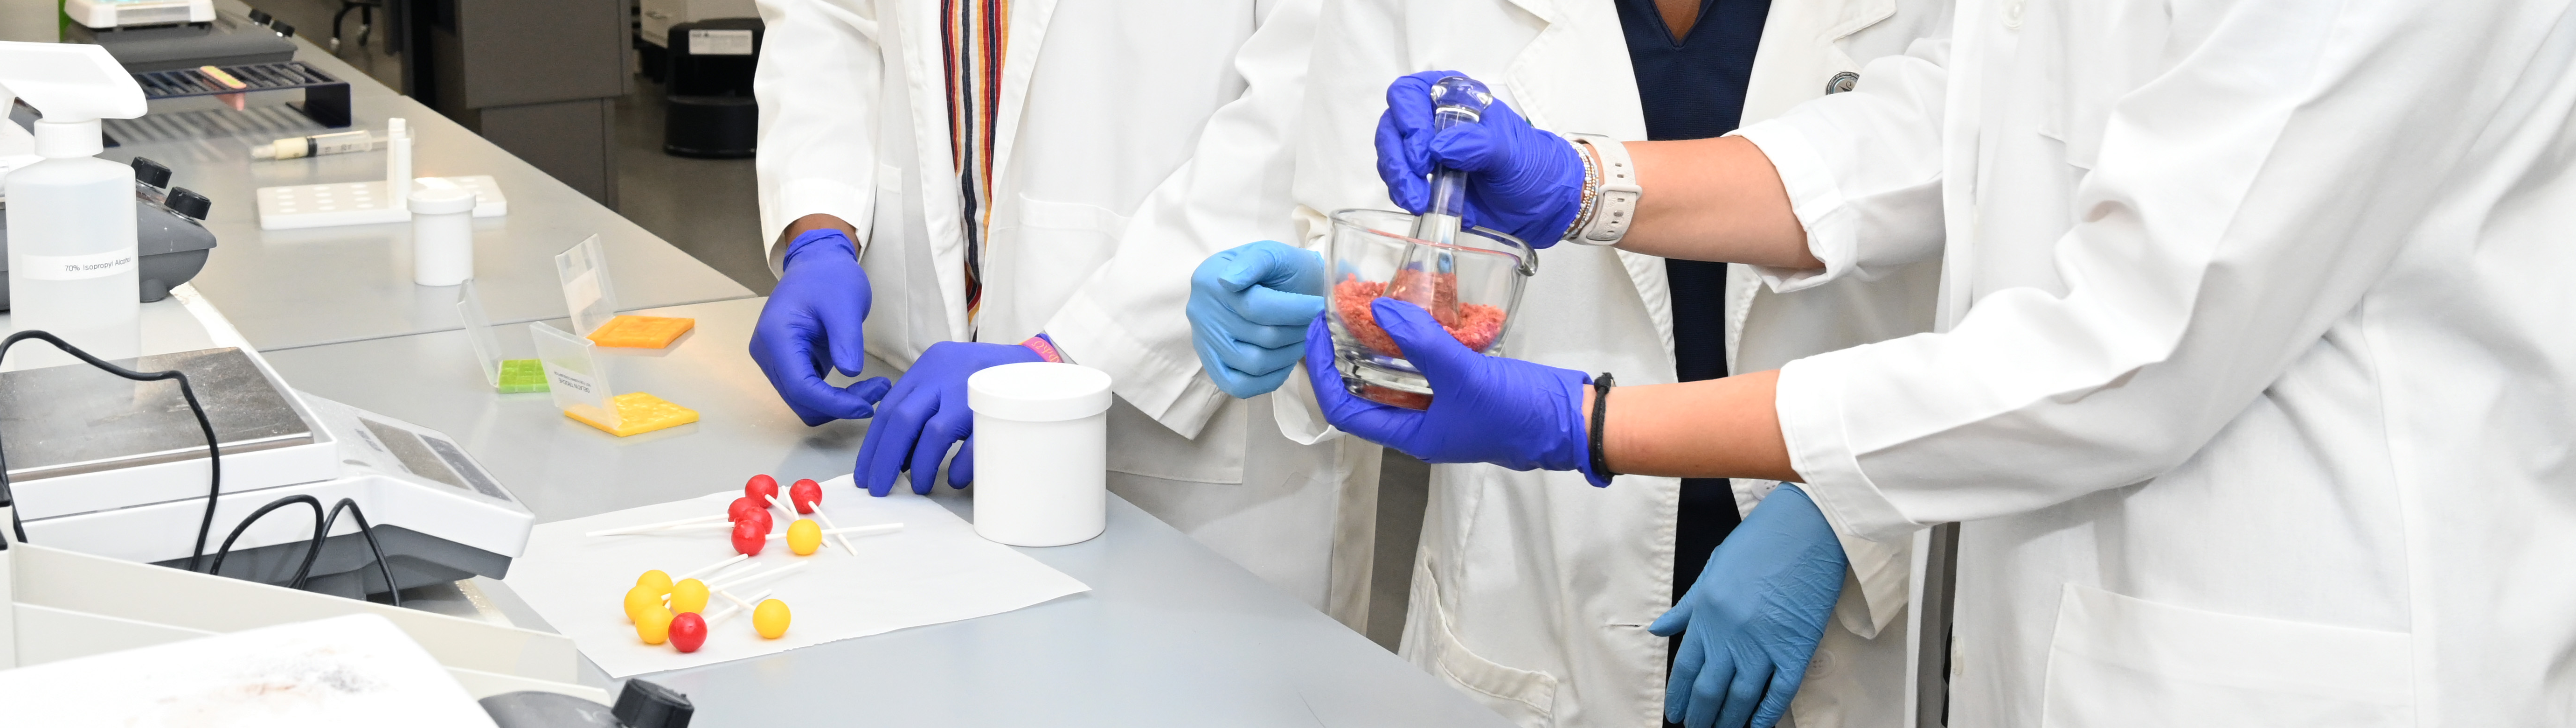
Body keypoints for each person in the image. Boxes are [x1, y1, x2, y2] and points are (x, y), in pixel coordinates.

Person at [1295, 0, 2576, 725]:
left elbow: (2132, 352)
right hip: (2056, 624)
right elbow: (1958, 121)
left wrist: (1590, 423)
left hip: (2298, 646)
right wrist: (1590, 182)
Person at [1181, 0, 1945, 725]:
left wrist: (1847, 514)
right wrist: (1331, 304)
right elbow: (1370, 240)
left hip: (1839, 593)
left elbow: (1993, 327)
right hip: (1529, 597)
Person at [749, 0, 1388, 626]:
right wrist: (819, 226)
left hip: (1195, 456)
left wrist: (1071, 352)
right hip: (916, 374)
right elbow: (823, 18)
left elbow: (1307, 104)